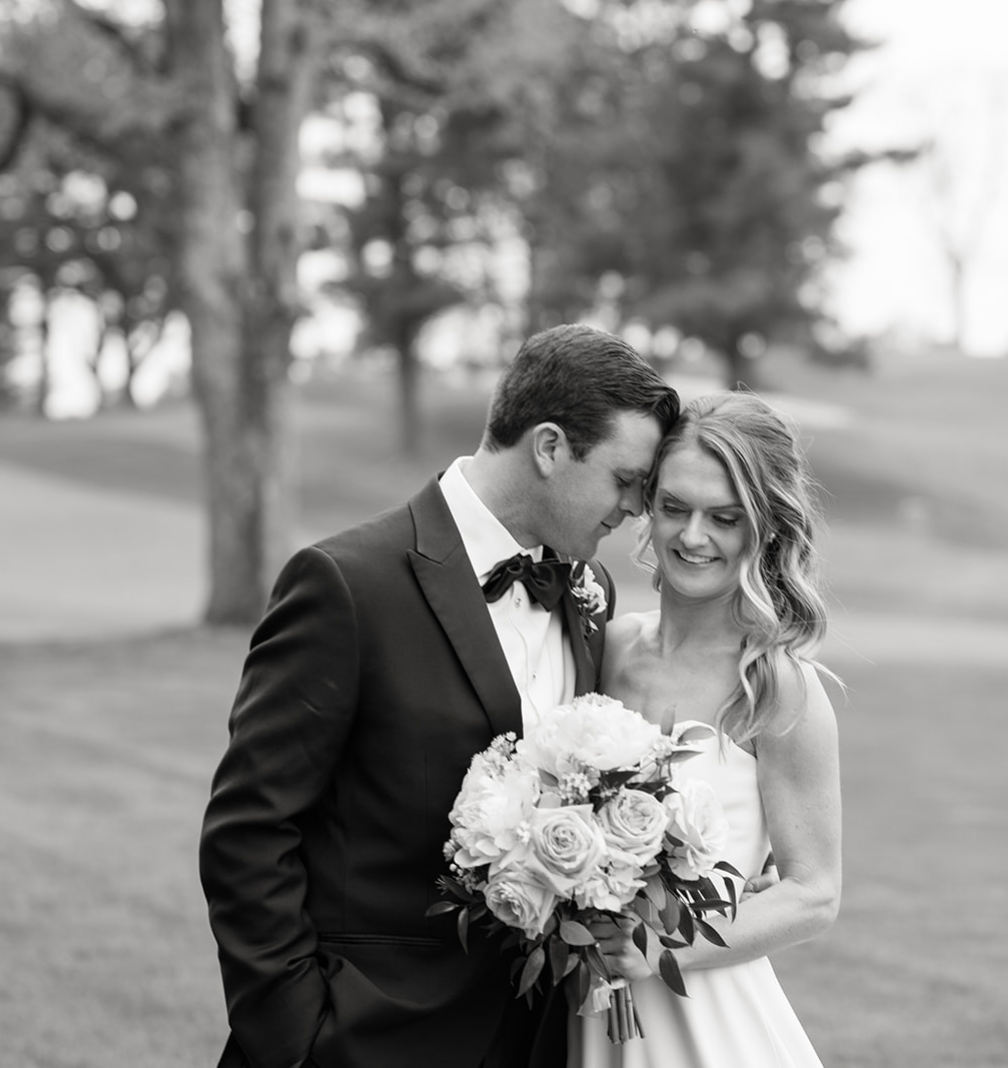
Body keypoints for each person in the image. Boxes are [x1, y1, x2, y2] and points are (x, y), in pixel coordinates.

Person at [199, 324, 679, 1068]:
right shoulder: (347, 583)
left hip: (538, 1038)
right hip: (369, 1035)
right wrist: (299, 1038)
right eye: (624, 480)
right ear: (549, 448)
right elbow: (248, 832)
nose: (636, 510)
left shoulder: (590, 594)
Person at [575, 391, 843, 1068]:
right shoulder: (603, 647)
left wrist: (657, 950)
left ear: (767, 528)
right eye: (674, 508)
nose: (693, 538)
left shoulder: (777, 687)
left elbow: (813, 893)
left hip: (715, 1030)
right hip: (589, 1018)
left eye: (724, 518)